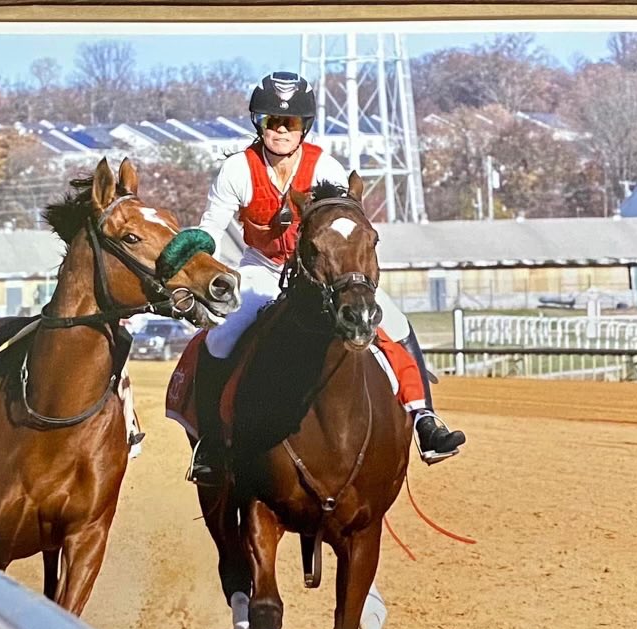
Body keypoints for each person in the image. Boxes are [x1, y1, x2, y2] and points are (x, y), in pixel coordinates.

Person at [189, 70, 465, 486]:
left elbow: (344, 224)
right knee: (219, 339)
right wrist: (195, 256)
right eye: (272, 121)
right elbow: (211, 227)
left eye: (290, 122)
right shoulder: (237, 170)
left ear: (304, 126)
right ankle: (210, 444)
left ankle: (425, 421)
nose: (281, 130)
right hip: (262, 269)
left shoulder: (326, 167)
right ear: (258, 123)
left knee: (396, 324)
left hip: (322, 274)